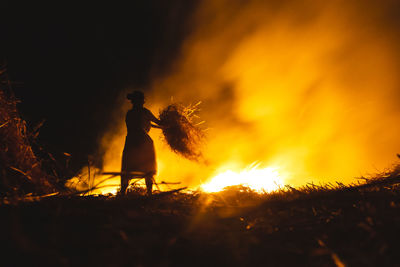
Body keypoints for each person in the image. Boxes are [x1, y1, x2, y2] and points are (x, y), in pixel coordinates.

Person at [120, 90, 161, 196]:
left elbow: (140, 125)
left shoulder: (130, 113)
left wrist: (156, 126)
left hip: (131, 141)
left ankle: (122, 193)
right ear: (141, 101)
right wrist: (170, 124)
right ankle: (149, 193)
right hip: (143, 141)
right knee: (148, 167)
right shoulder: (145, 112)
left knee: (128, 168)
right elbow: (157, 122)